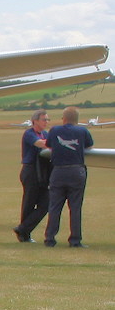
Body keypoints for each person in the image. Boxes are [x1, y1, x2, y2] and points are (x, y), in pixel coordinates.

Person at [43, 106, 95, 247]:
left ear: (64, 118)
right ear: (77, 120)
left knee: (54, 206)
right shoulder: (83, 131)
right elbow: (89, 146)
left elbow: (49, 145)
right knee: (75, 207)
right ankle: (75, 240)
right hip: (76, 171)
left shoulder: (54, 130)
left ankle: (49, 239)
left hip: (58, 171)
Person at [14, 109, 50, 242]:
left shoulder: (45, 133)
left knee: (46, 203)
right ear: (35, 121)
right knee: (29, 203)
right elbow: (40, 144)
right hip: (30, 171)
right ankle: (24, 234)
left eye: (47, 120)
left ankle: (23, 228)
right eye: (44, 119)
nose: (46, 122)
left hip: (42, 171)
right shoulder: (29, 134)